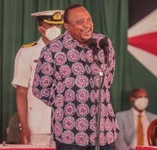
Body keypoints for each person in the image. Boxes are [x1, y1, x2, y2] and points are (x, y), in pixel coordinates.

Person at [32, 4, 118, 150]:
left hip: (104, 132)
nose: (87, 25)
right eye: (80, 22)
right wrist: (65, 101)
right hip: (70, 133)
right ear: (67, 26)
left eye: (89, 20)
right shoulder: (53, 49)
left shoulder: (104, 44)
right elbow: (40, 88)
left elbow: (108, 80)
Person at [11, 10, 64, 146]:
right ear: (41, 28)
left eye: (58, 26)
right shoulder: (27, 52)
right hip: (37, 125)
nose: (56, 29)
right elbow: (21, 93)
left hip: (65, 125)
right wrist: (24, 127)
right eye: (51, 26)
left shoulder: (68, 52)